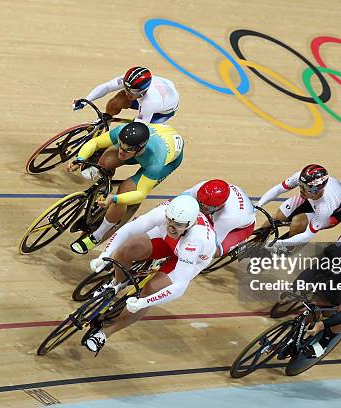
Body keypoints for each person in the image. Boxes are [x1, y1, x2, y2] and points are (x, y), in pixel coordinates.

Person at [82, 195, 216, 353]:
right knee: (127, 249)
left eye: (177, 225)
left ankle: (105, 334)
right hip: (169, 242)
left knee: (150, 289)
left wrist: (144, 302)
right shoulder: (165, 214)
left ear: (190, 223)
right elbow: (128, 230)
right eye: (169, 221)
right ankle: (117, 284)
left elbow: (179, 287)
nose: (171, 227)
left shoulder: (195, 241)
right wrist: (103, 256)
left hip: (188, 257)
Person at [67, 120, 185, 254]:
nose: (121, 151)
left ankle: (97, 236)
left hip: (166, 160)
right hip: (152, 141)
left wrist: (114, 199)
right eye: (121, 145)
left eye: (127, 149)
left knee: (126, 190)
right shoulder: (124, 132)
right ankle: (103, 186)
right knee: (107, 159)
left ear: (140, 148)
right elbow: (96, 143)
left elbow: (141, 193)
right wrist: (80, 158)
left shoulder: (156, 160)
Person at [256, 164, 341, 253]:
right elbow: (279, 189)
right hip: (310, 199)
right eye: (300, 185)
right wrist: (259, 204)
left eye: (305, 188)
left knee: (298, 222)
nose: (301, 190)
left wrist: (281, 243)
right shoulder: (304, 179)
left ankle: (287, 249)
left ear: (317, 191)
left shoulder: (325, 207)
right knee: (278, 216)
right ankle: (255, 240)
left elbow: (307, 235)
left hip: (333, 215)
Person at [72, 67, 179, 124]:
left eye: (132, 91)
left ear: (143, 91)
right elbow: (107, 87)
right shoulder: (130, 81)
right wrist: (86, 99)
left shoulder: (151, 101)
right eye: (126, 89)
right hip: (148, 96)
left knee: (132, 137)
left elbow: (138, 126)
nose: (128, 93)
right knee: (117, 101)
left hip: (161, 111)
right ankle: (106, 119)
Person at [182, 179, 256, 256]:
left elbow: (211, 243)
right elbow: (182, 199)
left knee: (211, 252)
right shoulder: (203, 189)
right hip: (227, 212)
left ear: (220, 206)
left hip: (241, 227)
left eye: (206, 208)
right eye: (199, 202)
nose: (201, 208)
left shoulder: (228, 218)